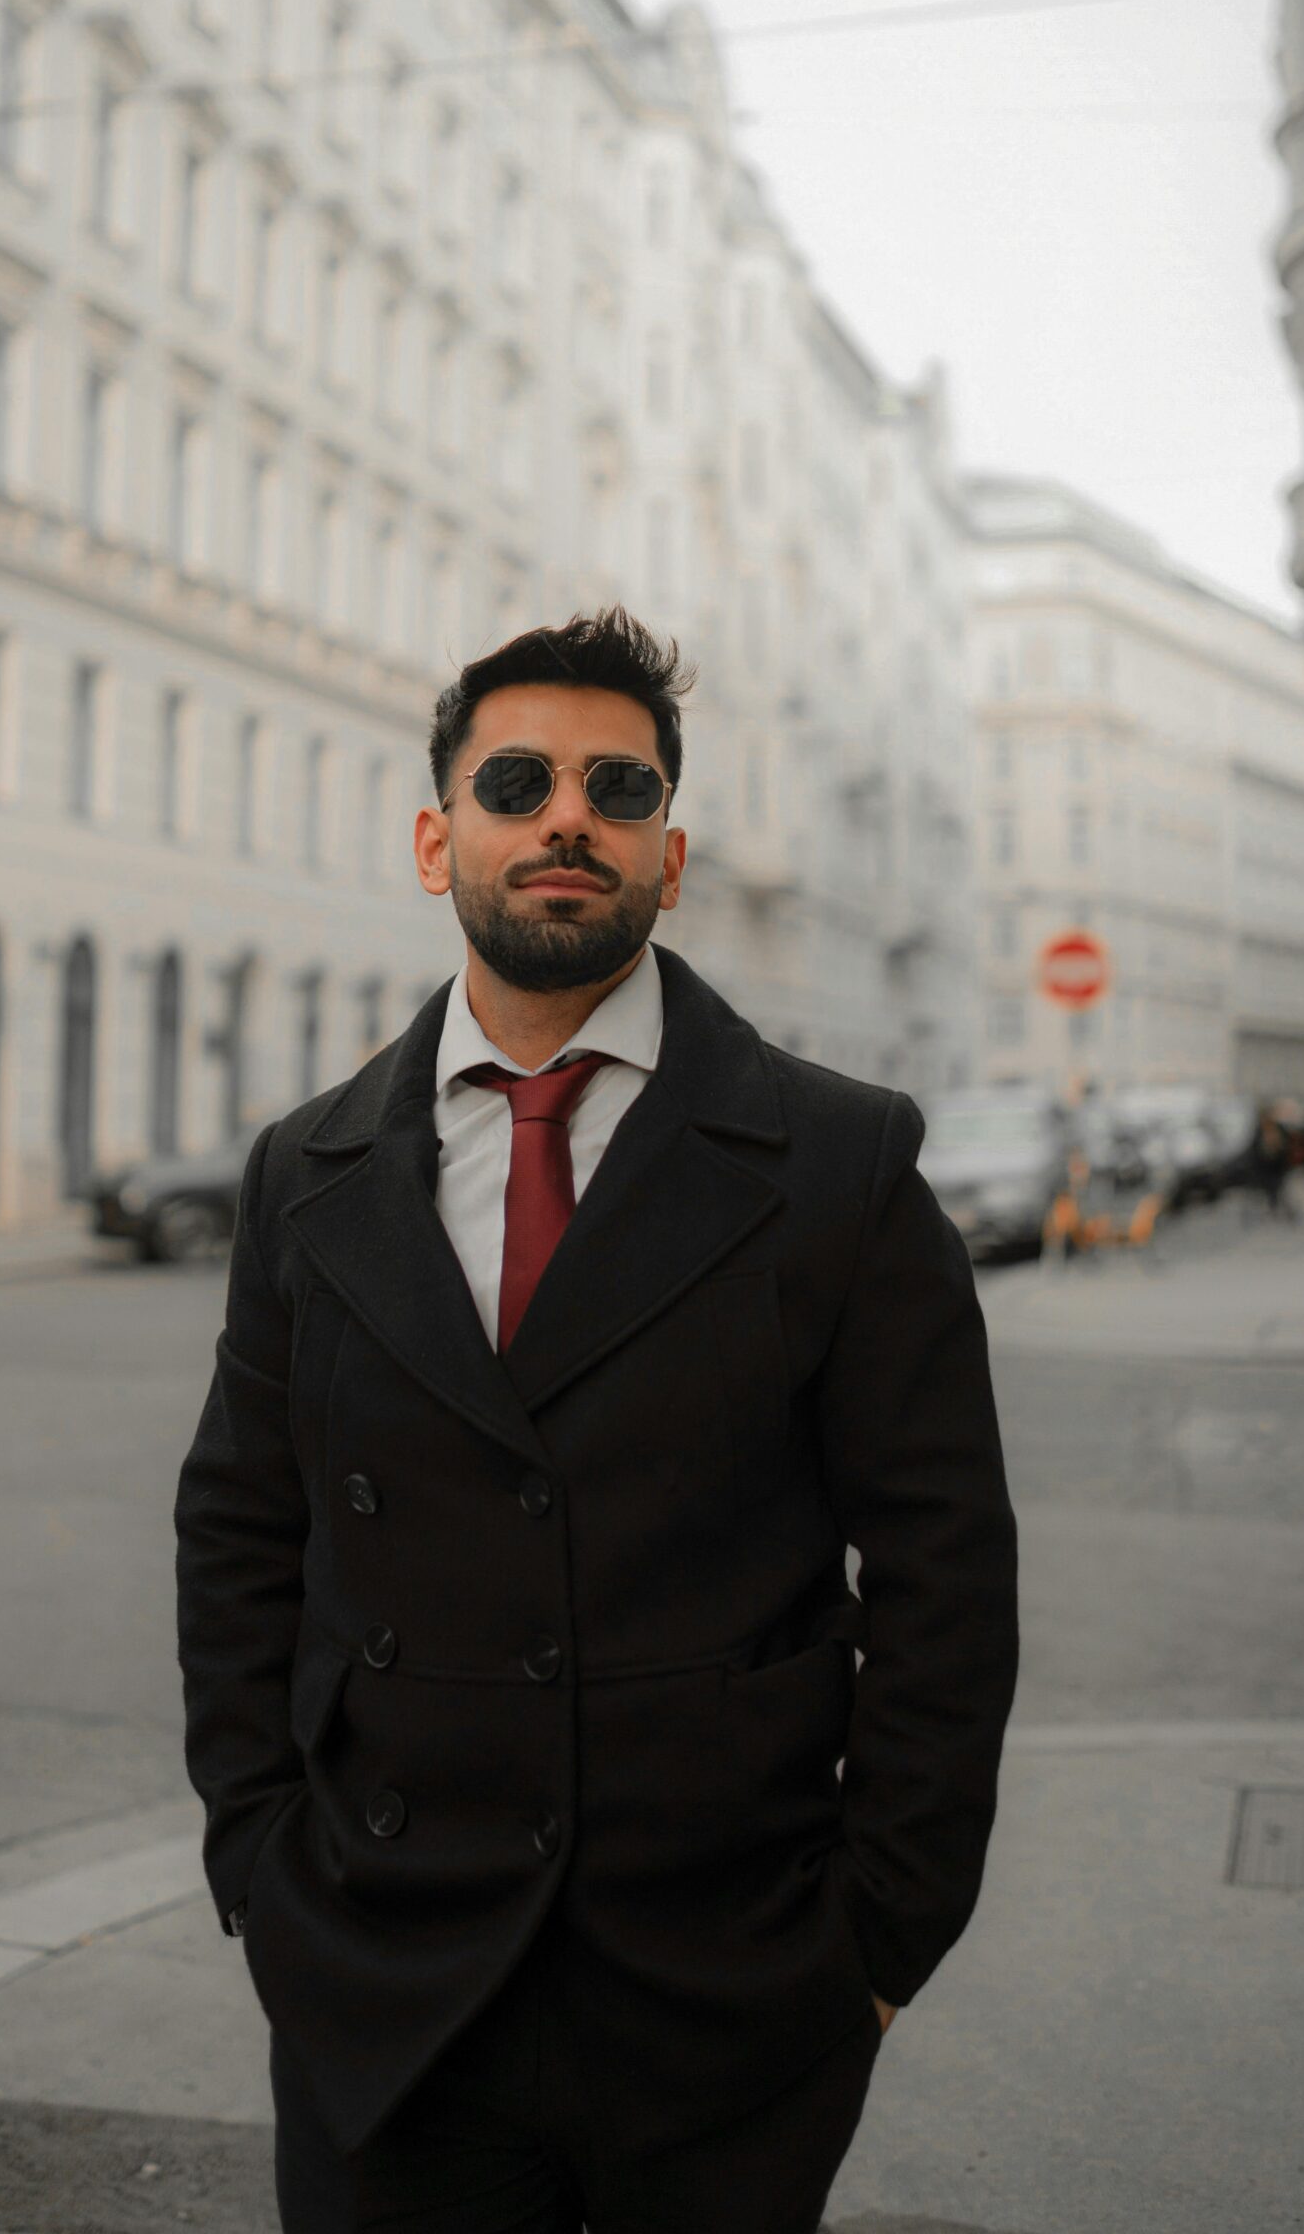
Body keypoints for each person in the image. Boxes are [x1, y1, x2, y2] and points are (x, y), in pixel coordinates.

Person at [174, 608, 1020, 2234]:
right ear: (440, 840)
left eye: (616, 789)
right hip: (381, 1982)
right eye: (516, 780)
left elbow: (944, 1580)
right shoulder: (309, 1171)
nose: (568, 814)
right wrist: (261, 1866)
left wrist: (874, 1944)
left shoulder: (834, 1165)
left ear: (668, 856)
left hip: (721, 1997)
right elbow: (239, 1534)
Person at [1250, 1102, 1292, 1220]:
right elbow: (1254, 1149)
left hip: (1278, 1166)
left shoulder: (1280, 1129)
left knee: (1277, 1188)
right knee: (1269, 1189)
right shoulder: (1259, 1130)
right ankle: (1272, 1208)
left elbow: (1287, 1146)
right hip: (1264, 1167)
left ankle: (1275, 1208)